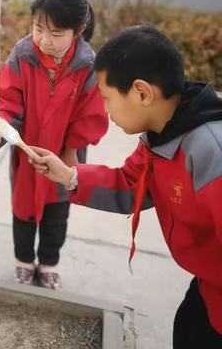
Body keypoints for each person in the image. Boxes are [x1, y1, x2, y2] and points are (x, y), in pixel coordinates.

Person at [30, 26, 222, 348]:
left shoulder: (211, 151)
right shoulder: (161, 133)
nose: (106, 110)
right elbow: (131, 183)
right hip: (207, 284)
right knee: (187, 327)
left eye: (107, 98)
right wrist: (68, 175)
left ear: (141, 93)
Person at [0, 0, 108, 289]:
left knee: (57, 210)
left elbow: (91, 112)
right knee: (22, 207)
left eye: (56, 34)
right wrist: (2, 128)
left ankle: (48, 262)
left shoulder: (88, 64)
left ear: (79, 29)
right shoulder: (22, 54)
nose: (44, 41)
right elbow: (7, 99)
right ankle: (23, 260)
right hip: (27, 149)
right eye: (38, 28)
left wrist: (72, 151)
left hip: (65, 152)